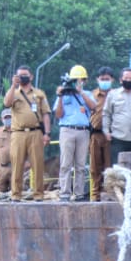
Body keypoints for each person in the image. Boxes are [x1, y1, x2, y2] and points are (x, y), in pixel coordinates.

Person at [3, 65, 52, 201]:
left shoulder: (39, 93)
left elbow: (46, 114)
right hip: (18, 133)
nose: (22, 77)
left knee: (37, 164)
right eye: (19, 75)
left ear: (31, 76)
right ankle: (16, 195)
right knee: (17, 164)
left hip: (35, 132)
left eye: (25, 75)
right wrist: (13, 86)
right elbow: (6, 103)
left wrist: (47, 133)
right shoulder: (14, 92)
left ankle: (38, 195)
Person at [54, 65, 96, 202]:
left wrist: (81, 92)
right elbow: (58, 114)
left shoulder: (87, 94)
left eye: (80, 80)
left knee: (80, 164)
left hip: (83, 131)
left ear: (84, 81)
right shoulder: (64, 95)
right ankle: (65, 192)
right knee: (65, 163)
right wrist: (60, 96)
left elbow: (94, 107)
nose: (78, 82)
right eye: (75, 80)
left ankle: (79, 193)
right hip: (67, 129)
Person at [88, 67, 114, 201]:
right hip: (95, 135)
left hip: (111, 136)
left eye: (107, 79)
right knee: (94, 167)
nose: (104, 81)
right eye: (102, 79)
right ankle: (94, 196)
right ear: (97, 80)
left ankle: (109, 194)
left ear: (112, 80)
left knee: (109, 167)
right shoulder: (91, 95)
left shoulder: (116, 95)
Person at [0, 108, 14, 196]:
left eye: (9, 117)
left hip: (15, 167)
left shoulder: (18, 131)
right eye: (5, 118)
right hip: (2, 168)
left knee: (16, 192)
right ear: (2, 119)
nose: (8, 120)